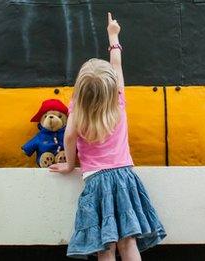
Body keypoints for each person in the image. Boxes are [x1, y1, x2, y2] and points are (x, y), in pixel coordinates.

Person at [49, 13, 166, 260]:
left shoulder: (77, 110)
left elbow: (69, 137)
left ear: (80, 90)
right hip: (125, 177)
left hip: (96, 182)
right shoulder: (118, 102)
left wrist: (71, 165)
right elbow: (116, 64)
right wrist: (113, 35)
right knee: (128, 242)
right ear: (111, 87)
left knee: (106, 246)